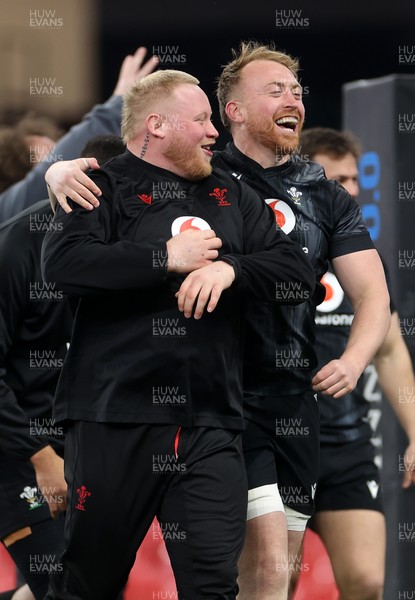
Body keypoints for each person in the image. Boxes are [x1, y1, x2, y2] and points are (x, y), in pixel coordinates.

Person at [43, 42, 391, 600]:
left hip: (252, 410)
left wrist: (231, 270)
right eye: (274, 89)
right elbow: (73, 241)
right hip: (162, 410)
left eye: (297, 90)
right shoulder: (151, 177)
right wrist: (58, 173)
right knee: (105, 578)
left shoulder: (279, 195)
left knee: (247, 580)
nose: (293, 99)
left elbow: (333, 283)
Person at [286, 127, 415, 600]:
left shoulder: (365, 258)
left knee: (366, 581)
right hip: (276, 443)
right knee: (276, 584)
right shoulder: (270, 246)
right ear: (302, 176)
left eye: (355, 178)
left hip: (346, 446)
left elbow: (390, 349)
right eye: (337, 177)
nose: (352, 188)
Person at [0, 136, 126, 600]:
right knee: (60, 583)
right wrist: (41, 457)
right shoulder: (15, 248)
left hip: (89, 447)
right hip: (20, 456)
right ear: (95, 182)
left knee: (81, 587)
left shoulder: (131, 246)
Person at [0, 46, 158, 224]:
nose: (65, 163)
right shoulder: (7, 209)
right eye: (50, 157)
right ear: (15, 175)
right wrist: (118, 104)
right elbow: (41, 179)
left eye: (57, 147)